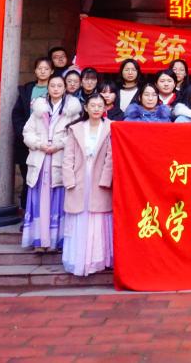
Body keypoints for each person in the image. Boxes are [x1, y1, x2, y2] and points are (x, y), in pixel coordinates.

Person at [21, 75, 81, 252]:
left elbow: (75, 133)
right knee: (38, 199)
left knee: (58, 199)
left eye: (59, 86)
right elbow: (27, 132)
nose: (55, 89)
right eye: (52, 85)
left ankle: (56, 241)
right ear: (47, 88)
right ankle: (39, 241)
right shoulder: (39, 108)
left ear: (65, 88)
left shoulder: (72, 110)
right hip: (39, 158)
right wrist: (39, 144)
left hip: (59, 157)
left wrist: (58, 145)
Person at [61, 93, 113, 276]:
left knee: (97, 219)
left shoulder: (111, 127)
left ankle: (98, 260)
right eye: (93, 105)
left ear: (105, 108)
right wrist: (69, 180)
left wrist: (106, 180)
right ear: (86, 108)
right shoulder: (76, 129)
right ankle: (79, 260)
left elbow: (111, 158)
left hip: (99, 179)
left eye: (100, 106)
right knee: (79, 218)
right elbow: (68, 157)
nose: (96, 109)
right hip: (79, 177)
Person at [12, 57, 54, 210]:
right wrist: (23, 134)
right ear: (35, 71)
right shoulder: (27, 90)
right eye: (40, 68)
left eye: (46, 69)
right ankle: (27, 212)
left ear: (52, 71)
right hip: (27, 141)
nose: (43, 71)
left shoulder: (55, 89)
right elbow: (17, 114)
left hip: (49, 142)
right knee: (28, 178)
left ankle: (45, 213)